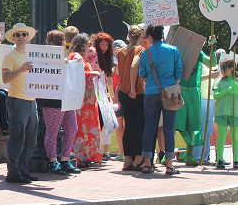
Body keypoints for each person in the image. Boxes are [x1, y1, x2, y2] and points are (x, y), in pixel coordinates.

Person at [138, 23, 182, 175]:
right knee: (169, 128)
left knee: (149, 127)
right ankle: (169, 165)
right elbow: (179, 73)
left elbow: (142, 75)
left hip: (150, 91)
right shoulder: (173, 50)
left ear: (149, 36)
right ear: (162, 35)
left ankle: (147, 164)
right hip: (169, 91)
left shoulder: (145, 54)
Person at [41, 31, 84, 175]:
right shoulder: (46, 57)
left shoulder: (64, 56)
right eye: (62, 40)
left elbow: (72, 59)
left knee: (72, 128)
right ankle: (53, 162)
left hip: (66, 97)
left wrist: (75, 57)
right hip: (52, 99)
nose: (64, 43)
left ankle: (65, 160)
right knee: (52, 131)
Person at [1, 22, 39, 184]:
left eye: (24, 34)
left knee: (31, 139)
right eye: (18, 35)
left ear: (28, 37)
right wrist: (21, 70)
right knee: (17, 137)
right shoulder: (10, 56)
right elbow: (5, 78)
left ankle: (22, 169)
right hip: (17, 99)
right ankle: (13, 171)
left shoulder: (35, 55)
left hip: (32, 100)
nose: (21, 37)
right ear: (14, 38)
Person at [75, 32, 110, 167]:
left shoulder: (81, 57)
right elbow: (74, 73)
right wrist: (92, 73)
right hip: (83, 99)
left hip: (88, 99)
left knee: (88, 128)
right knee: (82, 129)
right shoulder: (76, 57)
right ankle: (80, 157)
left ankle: (87, 156)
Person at [175, 40, 213, 165]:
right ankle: (172, 153)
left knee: (193, 123)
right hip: (181, 89)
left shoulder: (200, 53)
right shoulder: (180, 51)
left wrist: (212, 48)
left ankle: (189, 154)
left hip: (194, 91)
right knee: (178, 123)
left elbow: (213, 63)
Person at [117, 25, 146, 171]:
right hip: (136, 92)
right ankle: (137, 158)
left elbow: (118, 70)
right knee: (140, 125)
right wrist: (134, 88)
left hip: (123, 90)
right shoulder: (139, 50)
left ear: (128, 36)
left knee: (128, 126)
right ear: (140, 37)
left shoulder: (121, 51)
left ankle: (127, 159)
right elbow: (134, 66)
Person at [213, 59, 238, 169]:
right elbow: (216, 96)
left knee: (235, 138)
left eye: (224, 68)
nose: (221, 70)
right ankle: (219, 160)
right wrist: (227, 90)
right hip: (221, 112)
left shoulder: (236, 81)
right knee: (221, 137)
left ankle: (236, 160)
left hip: (235, 112)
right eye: (221, 68)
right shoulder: (219, 81)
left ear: (231, 68)